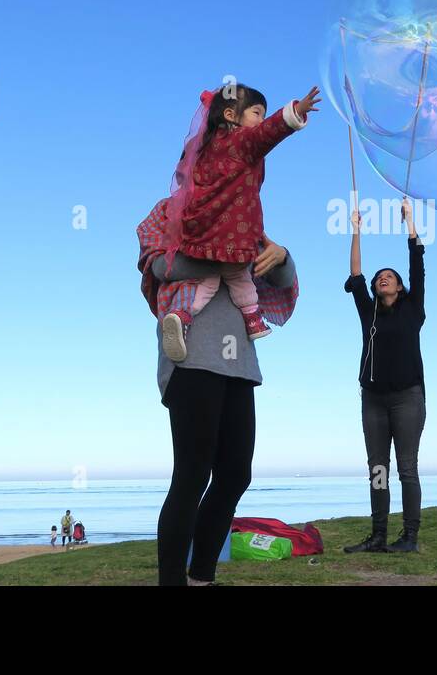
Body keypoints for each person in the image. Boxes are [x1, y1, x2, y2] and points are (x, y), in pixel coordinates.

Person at [140, 187, 300, 586]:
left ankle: (202, 577)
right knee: (192, 474)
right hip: (192, 357)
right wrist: (218, 253)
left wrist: (282, 257)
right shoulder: (171, 211)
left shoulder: (243, 218)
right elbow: (160, 268)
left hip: (240, 364)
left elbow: (275, 277)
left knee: (235, 475)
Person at [155, 84, 319, 361]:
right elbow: (268, 133)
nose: (260, 121)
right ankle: (253, 316)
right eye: (257, 113)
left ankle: (182, 314)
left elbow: (281, 276)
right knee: (240, 274)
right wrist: (295, 113)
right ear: (231, 115)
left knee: (207, 280)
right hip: (233, 239)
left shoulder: (205, 151)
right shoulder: (241, 142)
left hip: (202, 237)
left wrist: (280, 256)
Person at [341, 199, 427, 553]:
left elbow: (418, 264)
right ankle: (378, 535)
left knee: (406, 468)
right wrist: (356, 229)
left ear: (401, 287)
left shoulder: (413, 309)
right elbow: (357, 274)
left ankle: (409, 537)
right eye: (379, 278)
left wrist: (410, 223)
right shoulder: (368, 312)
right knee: (378, 468)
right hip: (373, 400)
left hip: (407, 397)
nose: (382, 279)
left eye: (388, 277)